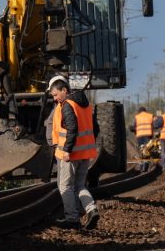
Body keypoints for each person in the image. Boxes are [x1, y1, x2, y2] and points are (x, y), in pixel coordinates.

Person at [49, 75, 100, 230]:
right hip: (85, 154)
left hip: (70, 155)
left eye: (56, 94)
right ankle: (91, 209)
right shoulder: (85, 105)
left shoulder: (67, 105)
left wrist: (67, 150)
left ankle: (72, 219)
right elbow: (95, 128)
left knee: (65, 186)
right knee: (79, 185)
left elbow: (72, 129)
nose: (55, 98)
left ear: (64, 90)